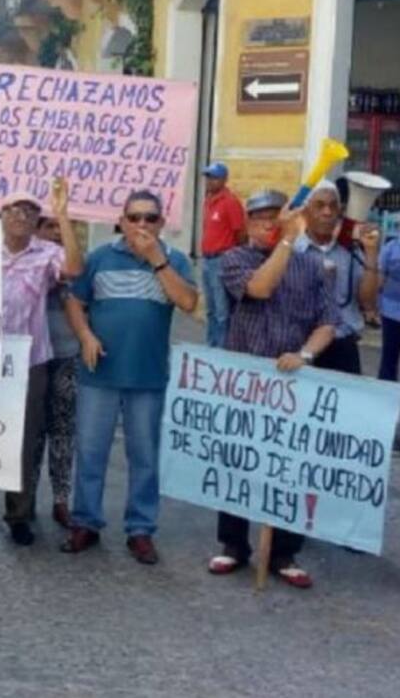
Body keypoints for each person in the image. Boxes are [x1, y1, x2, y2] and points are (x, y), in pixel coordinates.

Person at [208, 190, 337, 588]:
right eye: (261, 219)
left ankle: (284, 552)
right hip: (245, 384)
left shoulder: (312, 266)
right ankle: (233, 545)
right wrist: (285, 240)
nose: (268, 224)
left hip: (292, 382)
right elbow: (260, 289)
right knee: (237, 462)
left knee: (289, 468)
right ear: (248, 223)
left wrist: (306, 354)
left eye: (275, 218)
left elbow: (327, 323)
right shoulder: (233, 260)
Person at [61, 190, 198, 565]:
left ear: (161, 223)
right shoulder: (100, 258)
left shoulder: (175, 260)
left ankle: (140, 530)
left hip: (148, 376)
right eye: (134, 217)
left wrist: (157, 261)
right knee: (90, 453)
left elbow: (188, 302)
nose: (141, 225)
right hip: (98, 375)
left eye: (150, 218)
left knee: (144, 457)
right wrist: (86, 335)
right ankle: (86, 521)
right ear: (120, 221)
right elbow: (75, 300)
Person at [0, 183, 82, 546]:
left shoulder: (48, 253)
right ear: (1, 214)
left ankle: (18, 514)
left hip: (29, 359)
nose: (20, 216)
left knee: (23, 439)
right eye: (13, 209)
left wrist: (64, 215)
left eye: (29, 211)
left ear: (38, 218)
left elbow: (73, 268)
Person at [293, 181, 381, 374]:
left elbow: (368, 302)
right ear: (305, 212)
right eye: (320, 206)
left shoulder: (350, 251)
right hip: (300, 345)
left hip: (343, 346)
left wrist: (371, 252)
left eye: (333, 206)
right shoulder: (293, 251)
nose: (327, 212)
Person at [32, 214, 80, 529]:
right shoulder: (27, 261)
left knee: (62, 433)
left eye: (60, 226)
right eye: (47, 225)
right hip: (34, 359)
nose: (54, 232)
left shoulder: (76, 264)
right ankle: (25, 501)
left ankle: (61, 499)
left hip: (66, 358)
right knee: (31, 432)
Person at [199, 162, 245, 347]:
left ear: (224, 179)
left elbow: (240, 232)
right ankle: (211, 343)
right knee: (210, 309)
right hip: (207, 259)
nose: (210, 181)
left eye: (214, 177)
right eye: (208, 177)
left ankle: (222, 348)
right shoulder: (209, 200)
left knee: (222, 310)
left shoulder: (230, 202)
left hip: (222, 260)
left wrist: (233, 257)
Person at [381, 234, 400, 382]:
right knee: (389, 356)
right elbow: (380, 276)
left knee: (389, 356)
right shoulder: (391, 247)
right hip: (391, 310)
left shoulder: (391, 247)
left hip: (390, 309)